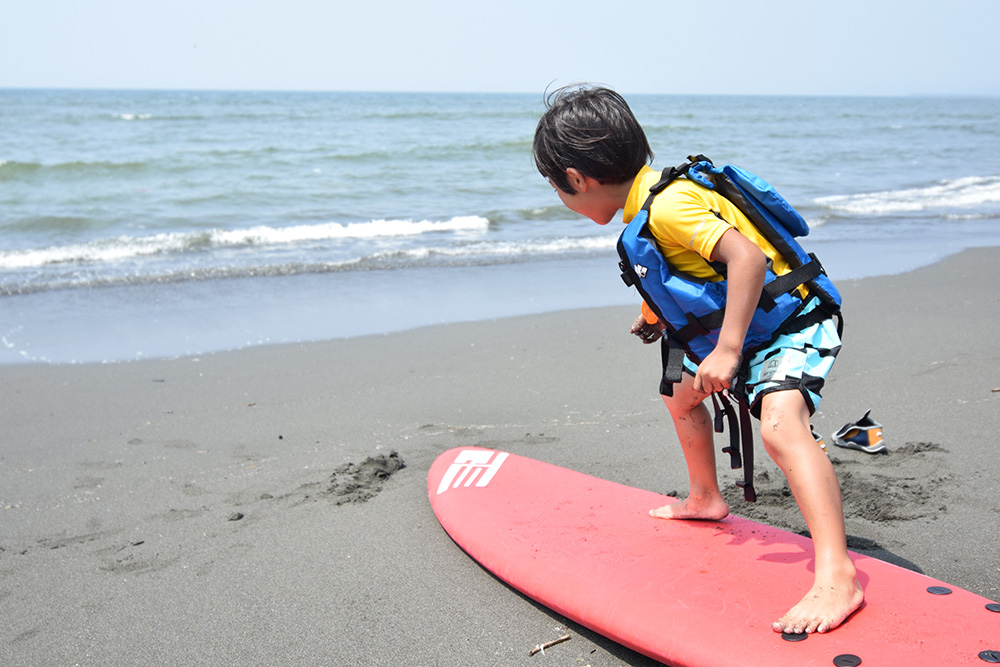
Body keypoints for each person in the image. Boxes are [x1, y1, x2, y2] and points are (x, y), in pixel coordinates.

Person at [532, 85, 864, 635]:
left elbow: (747, 258)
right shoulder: (651, 204)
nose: (563, 200)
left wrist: (729, 351)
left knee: (782, 428)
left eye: (557, 190)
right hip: (743, 325)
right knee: (679, 393)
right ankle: (707, 498)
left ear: (576, 178)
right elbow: (688, 270)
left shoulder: (670, 206)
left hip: (789, 325)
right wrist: (654, 312)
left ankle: (837, 574)